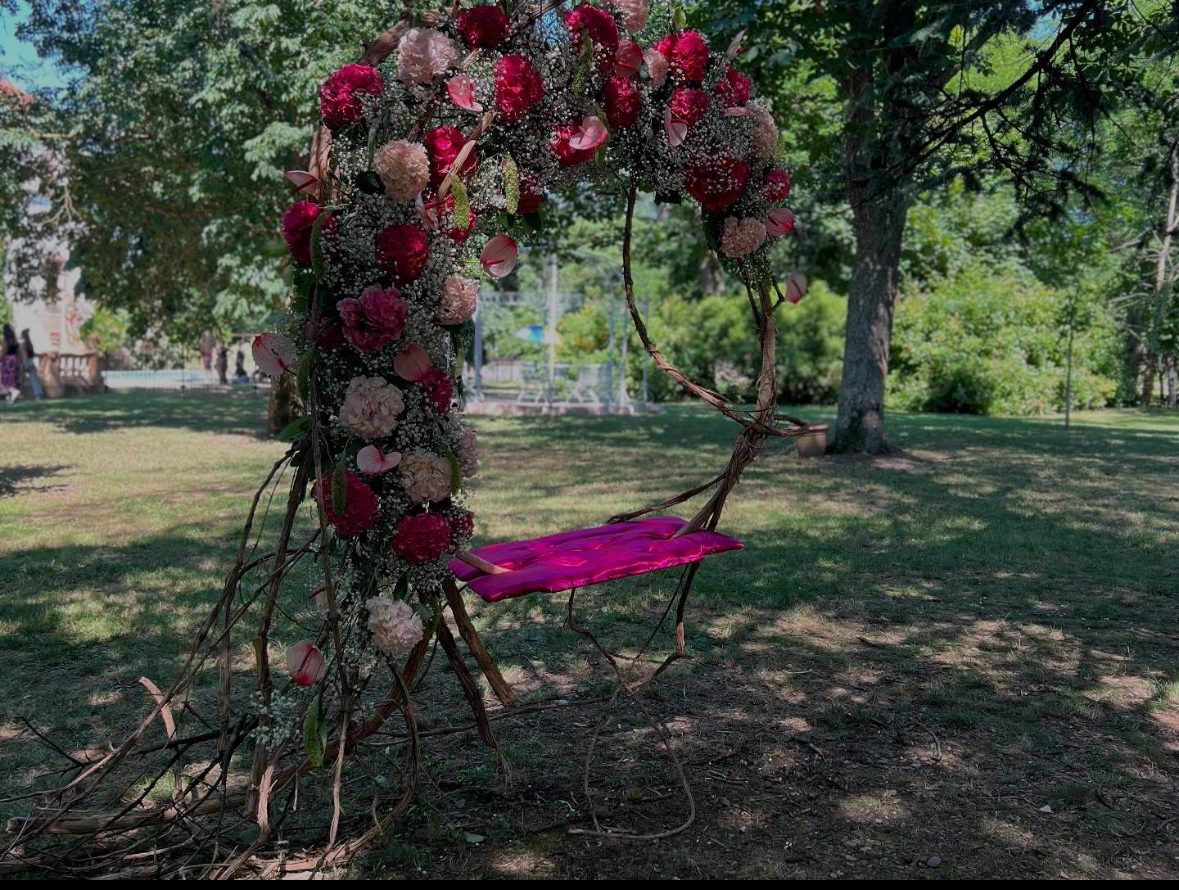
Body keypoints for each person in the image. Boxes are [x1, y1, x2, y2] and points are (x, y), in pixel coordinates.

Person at [19, 329, 44, 401]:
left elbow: (24, 354)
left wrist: (23, 363)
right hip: (31, 362)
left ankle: (18, 394)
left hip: (25, 362)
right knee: (34, 380)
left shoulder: (23, 344)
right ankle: (38, 395)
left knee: (20, 379)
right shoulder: (30, 344)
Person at [2, 324, 21, 405]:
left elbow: (4, 352)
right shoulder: (15, 341)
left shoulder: (5, 341)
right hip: (15, 360)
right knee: (12, 379)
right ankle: (10, 399)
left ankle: (14, 392)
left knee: (4, 380)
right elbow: (19, 352)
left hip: (7, 361)